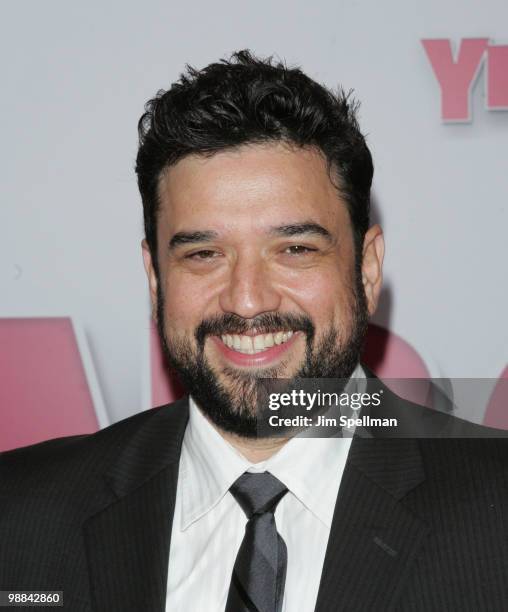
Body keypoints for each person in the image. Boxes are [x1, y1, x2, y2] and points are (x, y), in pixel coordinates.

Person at [1, 50, 507, 612]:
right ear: (154, 276)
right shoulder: (17, 518)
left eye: (294, 249)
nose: (247, 300)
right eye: (203, 253)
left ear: (367, 269)